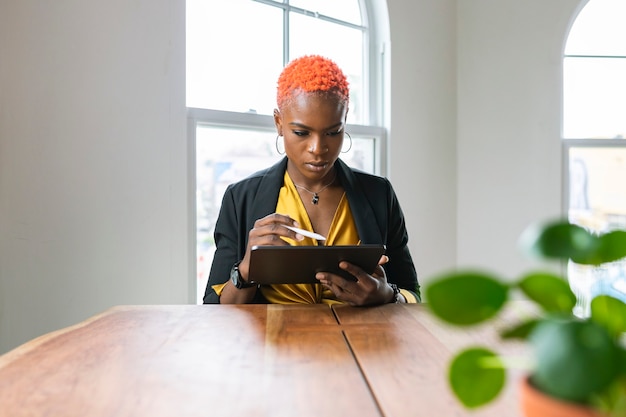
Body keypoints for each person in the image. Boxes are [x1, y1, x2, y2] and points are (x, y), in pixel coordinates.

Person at [203, 55, 420, 305]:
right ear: (278, 123)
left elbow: (412, 293)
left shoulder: (378, 194)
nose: (318, 148)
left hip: (361, 342)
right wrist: (245, 271)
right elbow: (212, 307)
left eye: (332, 132)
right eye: (301, 132)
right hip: (272, 342)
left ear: (345, 120)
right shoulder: (240, 198)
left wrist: (388, 295)